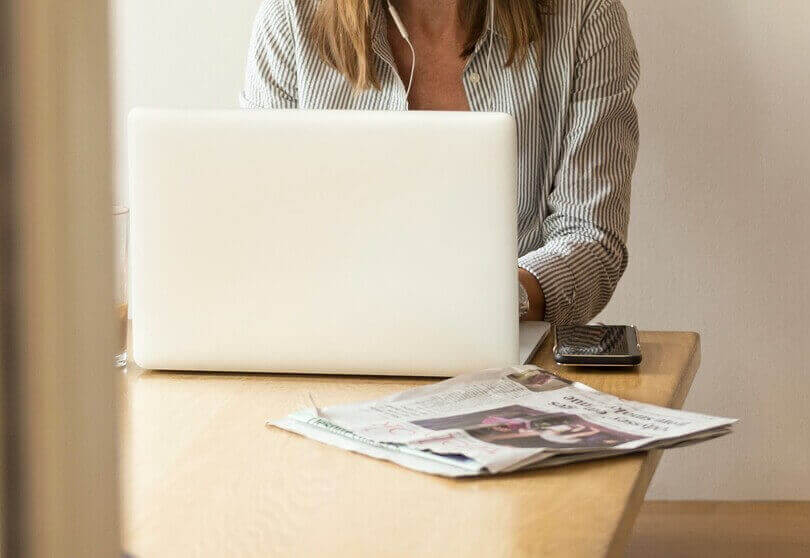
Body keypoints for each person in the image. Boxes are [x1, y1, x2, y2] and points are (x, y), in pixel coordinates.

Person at [241, 0, 639, 324]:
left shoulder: (584, 15)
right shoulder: (291, 18)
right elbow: (262, 232)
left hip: (506, 372)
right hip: (324, 354)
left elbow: (590, 236)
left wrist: (500, 303)